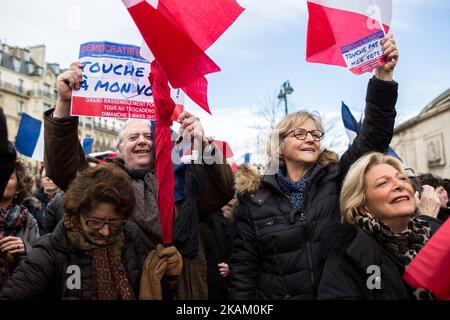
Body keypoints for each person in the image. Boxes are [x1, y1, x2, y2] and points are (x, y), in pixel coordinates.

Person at [43, 62, 234, 299]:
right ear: (121, 148)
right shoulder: (105, 181)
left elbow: (223, 189)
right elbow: (63, 168)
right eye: (133, 137)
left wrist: (203, 143)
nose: (142, 141)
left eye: (148, 136)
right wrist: (64, 103)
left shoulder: (182, 181)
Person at [228, 33, 399, 300]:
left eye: (315, 134)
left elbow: (373, 137)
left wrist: (383, 78)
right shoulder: (254, 199)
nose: (310, 138)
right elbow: (244, 271)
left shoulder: (337, 178)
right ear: (279, 145)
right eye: (299, 133)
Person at [0, 164, 141, 299]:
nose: (106, 232)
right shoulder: (49, 251)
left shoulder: (130, 241)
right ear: (78, 212)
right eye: (95, 222)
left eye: (114, 222)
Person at [318, 152, 435, 300]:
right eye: (383, 183)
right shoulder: (349, 257)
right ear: (363, 206)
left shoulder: (437, 234)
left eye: (402, 178)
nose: (399, 185)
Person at [0, 159, 40, 288]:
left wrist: (26, 249)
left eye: (7, 176)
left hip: (17, 289)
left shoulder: (29, 221)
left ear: (19, 187)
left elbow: (40, 264)